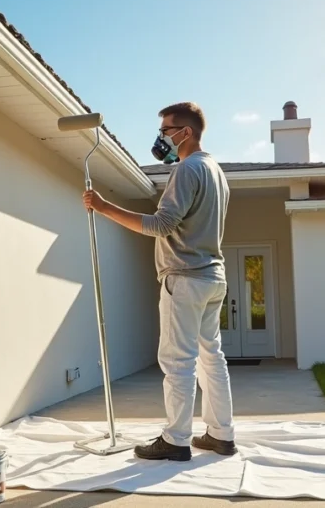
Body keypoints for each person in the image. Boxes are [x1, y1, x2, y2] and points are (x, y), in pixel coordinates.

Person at [82, 102, 236, 461]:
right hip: (213, 277)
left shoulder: (187, 170)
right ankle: (221, 435)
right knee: (211, 357)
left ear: (185, 132)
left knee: (178, 361)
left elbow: (161, 225)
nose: (161, 138)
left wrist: (104, 208)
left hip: (184, 278)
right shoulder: (216, 170)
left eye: (166, 130)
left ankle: (176, 440)